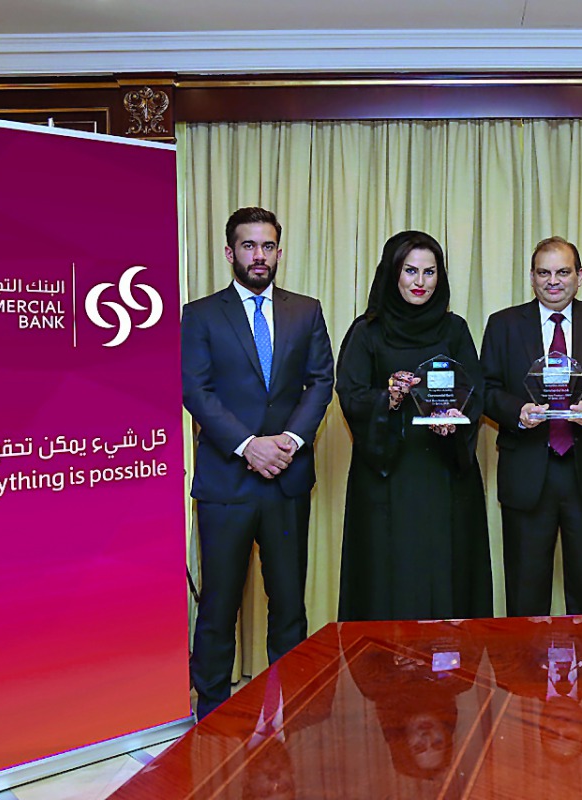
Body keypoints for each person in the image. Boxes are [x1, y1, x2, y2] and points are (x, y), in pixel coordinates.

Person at [182, 206, 334, 720]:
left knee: (288, 604)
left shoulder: (306, 311)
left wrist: (287, 441)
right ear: (230, 253)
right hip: (226, 482)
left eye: (267, 246)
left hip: (287, 480)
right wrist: (249, 445)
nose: (259, 256)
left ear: (279, 251)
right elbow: (196, 392)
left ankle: (287, 709)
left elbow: (321, 381)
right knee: (219, 606)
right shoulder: (200, 314)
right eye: (248, 246)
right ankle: (210, 715)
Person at [336, 230, 492, 621]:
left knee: (447, 574)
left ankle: (448, 675)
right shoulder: (366, 331)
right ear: (393, 274)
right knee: (389, 579)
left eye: (430, 272)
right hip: (386, 480)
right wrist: (387, 397)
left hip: (445, 478)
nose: (420, 282)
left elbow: (475, 392)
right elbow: (350, 395)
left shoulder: (454, 330)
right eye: (410, 271)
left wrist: (454, 418)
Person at [481, 236, 582, 616]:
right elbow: (484, 390)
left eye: (563, 272)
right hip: (527, 470)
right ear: (532, 278)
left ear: (579, 276)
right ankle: (524, 674)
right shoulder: (502, 324)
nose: (554, 281)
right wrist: (518, 411)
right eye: (544, 272)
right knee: (525, 590)